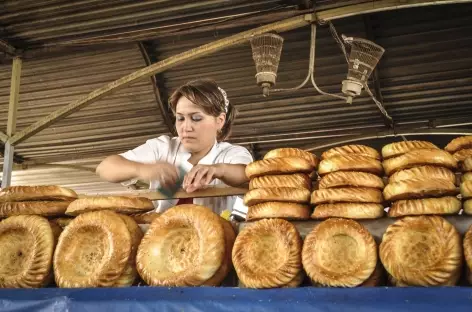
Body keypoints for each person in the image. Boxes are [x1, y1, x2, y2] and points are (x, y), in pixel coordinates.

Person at [96, 79, 253, 217]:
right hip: (162, 236)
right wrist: (143, 169)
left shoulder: (231, 153)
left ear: (220, 120)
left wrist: (219, 170)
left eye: (196, 118)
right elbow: (105, 168)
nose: (186, 127)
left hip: (214, 238)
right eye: (180, 118)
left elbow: (246, 175)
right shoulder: (163, 148)